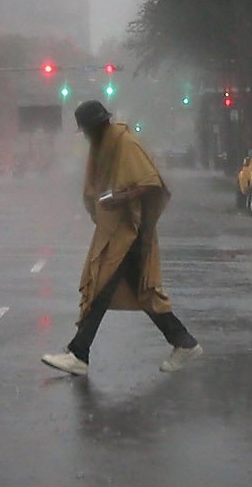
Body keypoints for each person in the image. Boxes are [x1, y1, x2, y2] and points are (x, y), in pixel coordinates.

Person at [41, 99, 200, 377]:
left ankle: (79, 353)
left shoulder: (125, 143)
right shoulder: (104, 147)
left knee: (101, 288)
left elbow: (151, 184)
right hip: (116, 232)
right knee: (141, 293)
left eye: (89, 130)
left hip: (131, 233)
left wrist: (120, 198)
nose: (87, 136)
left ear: (99, 125)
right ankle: (183, 342)